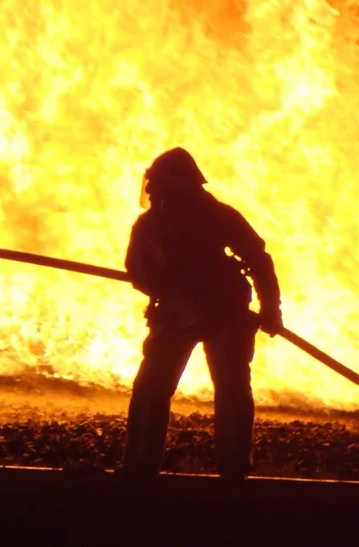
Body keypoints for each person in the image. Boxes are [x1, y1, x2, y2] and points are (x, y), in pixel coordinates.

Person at [120, 147, 282, 481]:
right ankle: (141, 467)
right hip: (178, 314)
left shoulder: (218, 217)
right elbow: (136, 270)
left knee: (230, 390)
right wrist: (162, 285)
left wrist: (270, 309)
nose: (151, 191)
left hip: (224, 315)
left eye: (156, 184)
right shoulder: (151, 225)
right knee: (151, 389)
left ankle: (232, 470)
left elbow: (258, 259)